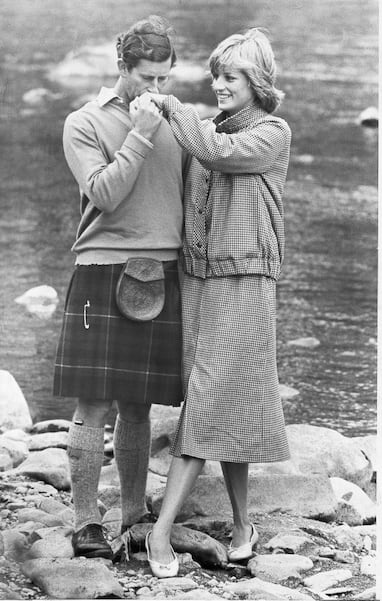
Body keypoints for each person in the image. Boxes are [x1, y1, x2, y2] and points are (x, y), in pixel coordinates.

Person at [144, 28, 292, 578]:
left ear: (257, 82)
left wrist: (171, 106)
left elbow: (215, 152)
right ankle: (241, 526)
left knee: (206, 401)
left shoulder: (271, 133)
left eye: (231, 77)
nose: (220, 84)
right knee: (225, 401)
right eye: (217, 75)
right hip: (200, 279)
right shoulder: (206, 131)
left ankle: (161, 535)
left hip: (246, 282)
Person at [53, 15, 188, 559]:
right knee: (92, 404)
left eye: (164, 78)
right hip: (102, 268)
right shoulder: (82, 122)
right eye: (147, 78)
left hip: (163, 268)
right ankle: (86, 521)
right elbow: (104, 195)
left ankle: (134, 517)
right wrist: (139, 133)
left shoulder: (180, 120)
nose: (156, 90)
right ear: (122, 68)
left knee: (139, 408)